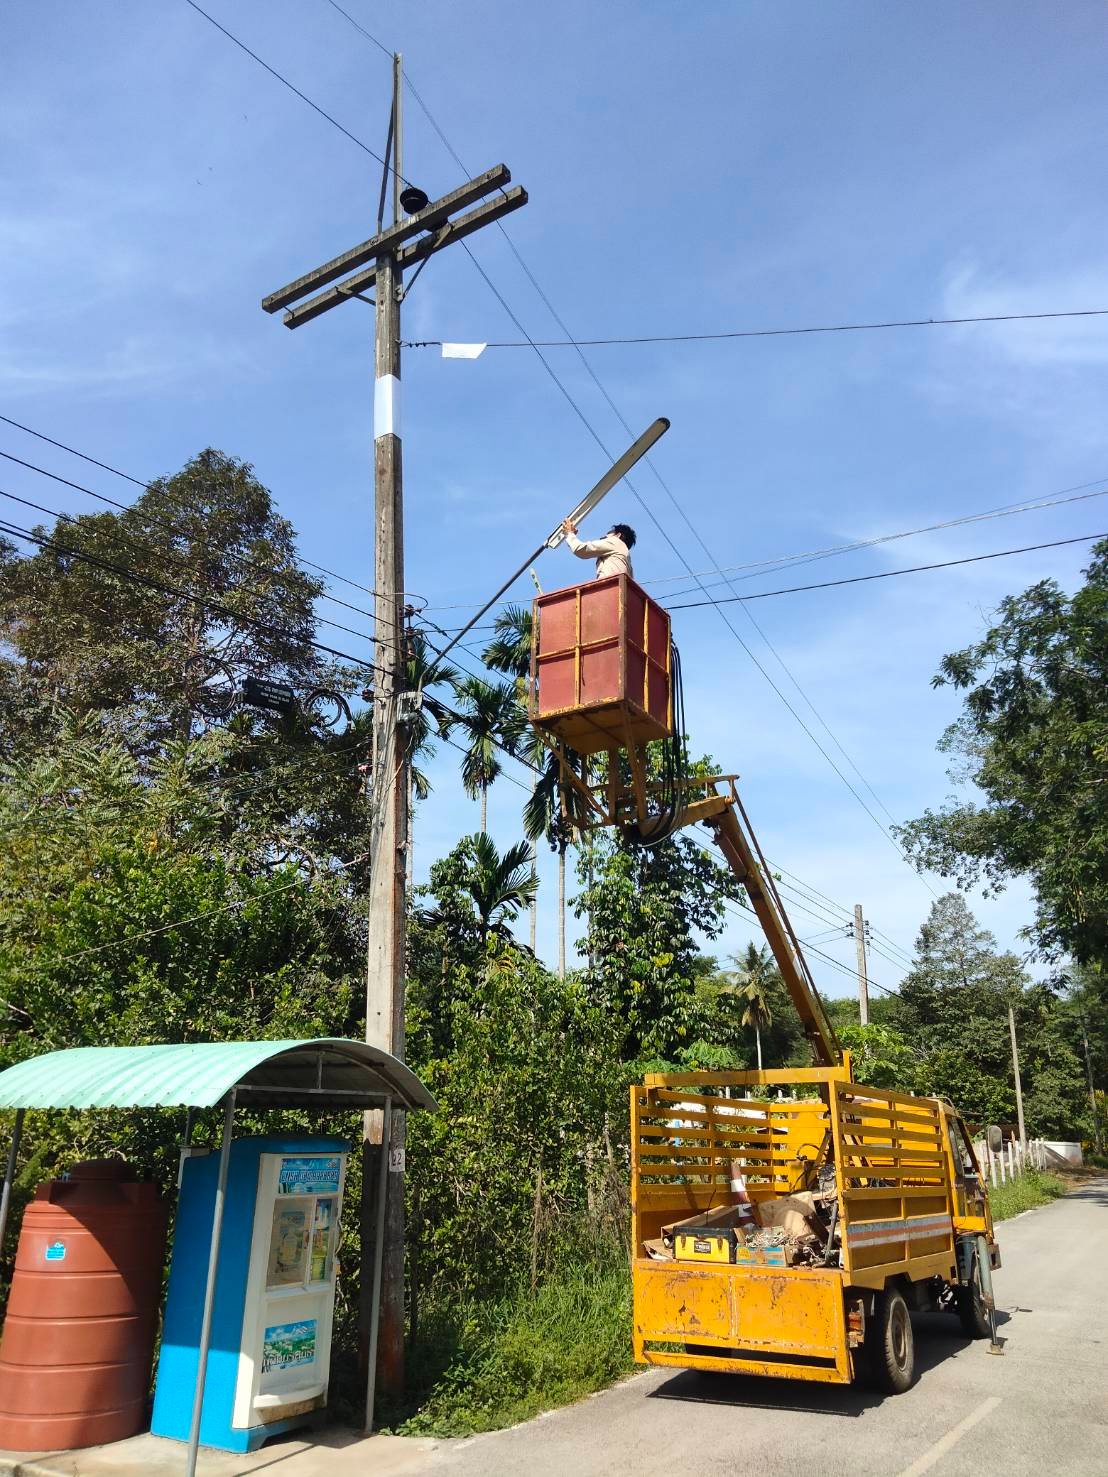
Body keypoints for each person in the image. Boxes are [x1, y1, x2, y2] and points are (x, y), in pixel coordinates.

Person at [561, 518, 636, 579]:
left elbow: (580, 549)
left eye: (609, 533)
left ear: (618, 535)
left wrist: (569, 533)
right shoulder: (626, 558)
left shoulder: (615, 541)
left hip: (608, 588)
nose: (604, 536)